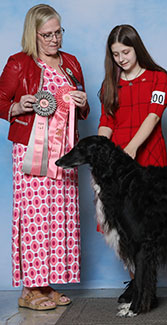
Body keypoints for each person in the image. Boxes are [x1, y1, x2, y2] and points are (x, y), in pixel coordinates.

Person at [0, 4, 89, 310]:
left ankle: (45, 286)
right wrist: (17, 106)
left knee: (57, 218)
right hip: (31, 152)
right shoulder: (19, 63)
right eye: (47, 34)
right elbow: (0, 102)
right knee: (35, 218)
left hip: (64, 152)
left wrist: (83, 102)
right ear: (33, 34)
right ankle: (29, 290)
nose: (55, 39)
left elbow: (83, 110)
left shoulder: (72, 63)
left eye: (58, 32)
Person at [98, 24, 167, 303]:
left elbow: (154, 115)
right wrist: (100, 153)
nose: (121, 58)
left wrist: (131, 147)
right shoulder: (110, 84)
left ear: (136, 48)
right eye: (115, 53)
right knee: (122, 224)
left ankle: (145, 282)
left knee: (146, 224)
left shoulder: (159, 78)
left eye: (125, 51)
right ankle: (135, 280)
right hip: (118, 162)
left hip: (148, 157)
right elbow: (106, 122)